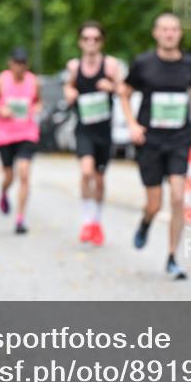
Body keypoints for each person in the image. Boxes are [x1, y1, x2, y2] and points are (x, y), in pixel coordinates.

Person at [119, 13, 191, 280]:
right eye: (164, 30)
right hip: (150, 141)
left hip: (179, 138)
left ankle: (172, 257)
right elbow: (124, 92)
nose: (169, 34)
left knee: (179, 197)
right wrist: (132, 124)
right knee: (155, 204)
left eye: (174, 30)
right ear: (156, 33)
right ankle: (146, 222)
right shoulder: (144, 63)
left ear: (180, 34)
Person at [63, 21, 124, 246]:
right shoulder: (74, 67)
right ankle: (86, 221)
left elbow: (123, 90)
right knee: (86, 172)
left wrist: (112, 87)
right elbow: (68, 86)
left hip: (103, 130)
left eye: (95, 39)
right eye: (87, 38)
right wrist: (69, 92)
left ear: (101, 42)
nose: (91, 42)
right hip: (84, 129)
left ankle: (97, 222)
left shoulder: (110, 65)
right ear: (80, 42)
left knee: (99, 179)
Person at [0, 47, 41, 235]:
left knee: (24, 173)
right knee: (9, 176)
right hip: (5, 135)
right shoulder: (0, 81)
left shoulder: (33, 81)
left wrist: (37, 108)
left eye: (23, 63)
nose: (20, 67)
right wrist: (0, 110)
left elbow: (38, 101)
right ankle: (3, 192)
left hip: (27, 133)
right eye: (17, 63)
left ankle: (20, 219)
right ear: (11, 64)